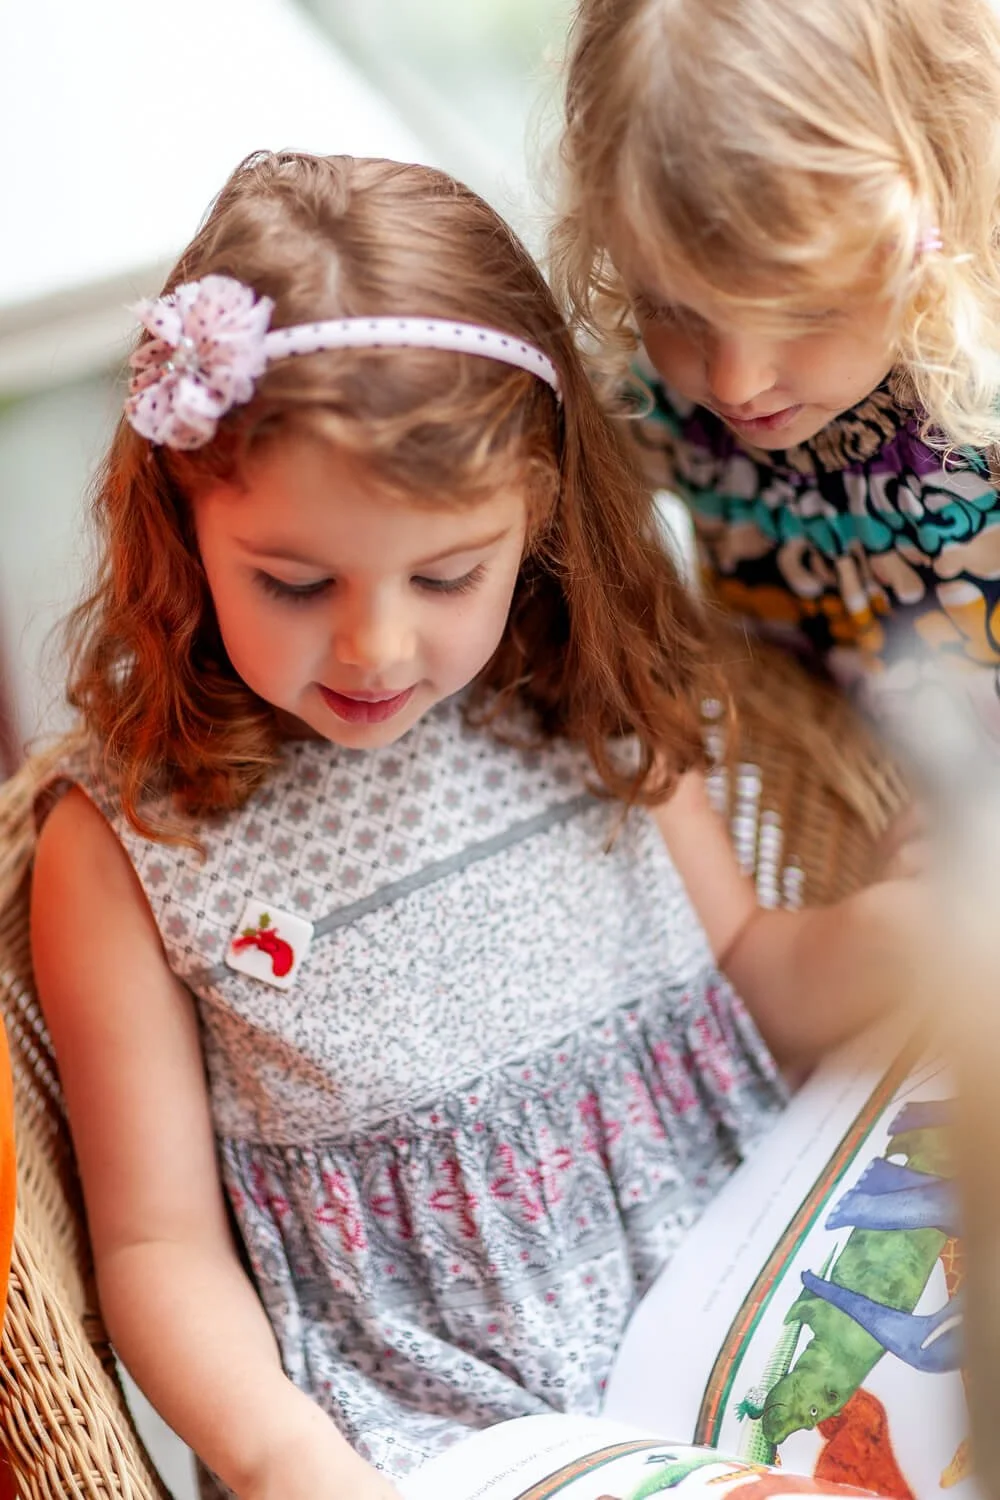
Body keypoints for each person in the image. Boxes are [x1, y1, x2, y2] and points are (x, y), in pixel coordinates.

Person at [30, 151, 911, 1500]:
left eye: (446, 573)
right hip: (449, 1444)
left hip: (750, 1326)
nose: (378, 644)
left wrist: (909, 936)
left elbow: (755, 981)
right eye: (296, 579)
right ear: (186, 522)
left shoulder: (578, 695)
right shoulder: (129, 841)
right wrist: (282, 1463)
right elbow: (157, 1249)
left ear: (537, 519)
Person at [551, 0, 1000, 740]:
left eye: (802, 314)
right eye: (673, 310)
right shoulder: (655, 399)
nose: (733, 384)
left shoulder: (978, 390)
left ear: (929, 224)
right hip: (814, 747)